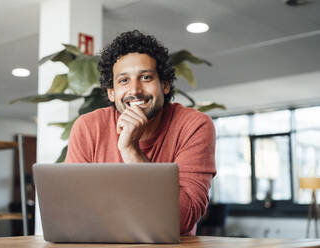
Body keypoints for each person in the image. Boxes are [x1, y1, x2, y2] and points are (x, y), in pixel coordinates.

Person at [65, 30, 216, 235]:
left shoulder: (195, 125)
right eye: (123, 80)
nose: (135, 90)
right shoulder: (87, 127)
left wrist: (130, 151)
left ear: (165, 85)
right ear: (111, 93)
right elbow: (71, 212)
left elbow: (183, 219)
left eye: (145, 77)